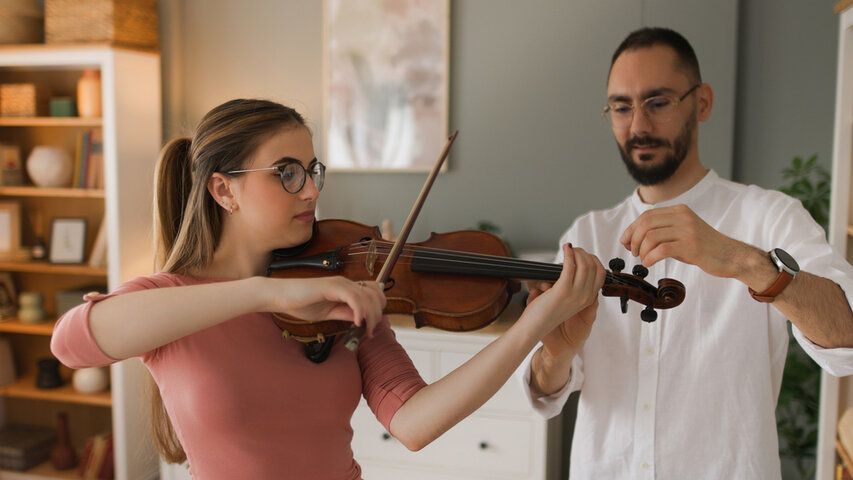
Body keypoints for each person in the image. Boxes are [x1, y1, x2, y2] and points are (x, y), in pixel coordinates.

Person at [50, 98, 606, 480]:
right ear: (224, 189)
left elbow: (414, 423)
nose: (310, 189)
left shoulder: (341, 291)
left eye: (313, 170)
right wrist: (264, 295)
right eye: (287, 172)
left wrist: (534, 327)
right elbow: (72, 342)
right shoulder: (172, 302)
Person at [518, 27, 853, 479]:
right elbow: (547, 392)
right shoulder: (588, 234)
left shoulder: (771, 216)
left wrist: (740, 260)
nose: (638, 126)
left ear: (702, 102)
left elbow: (847, 336)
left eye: (657, 103)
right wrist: (555, 355)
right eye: (621, 107)